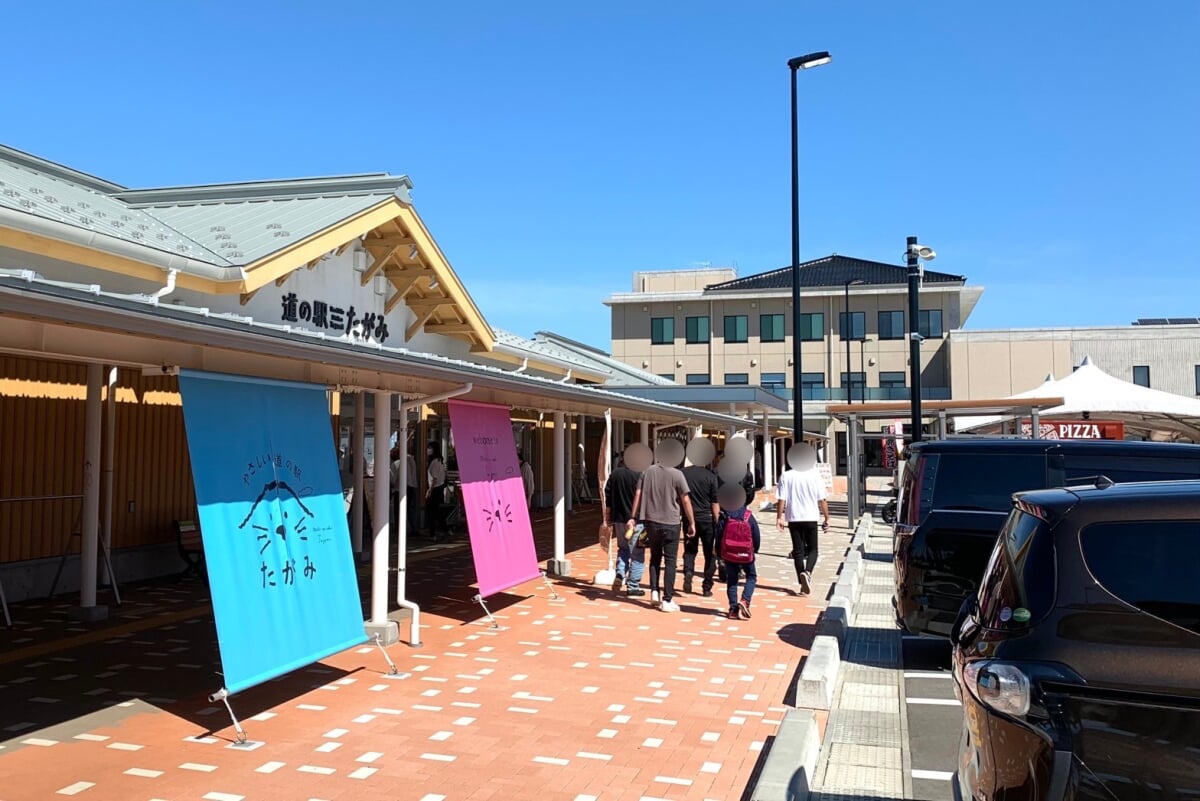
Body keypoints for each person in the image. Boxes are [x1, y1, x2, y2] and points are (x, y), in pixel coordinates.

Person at [629, 444, 695, 613]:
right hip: (671, 522)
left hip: (650, 521)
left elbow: (638, 494)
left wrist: (633, 516)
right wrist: (691, 522)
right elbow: (685, 499)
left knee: (654, 558)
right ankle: (667, 599)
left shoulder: (647, 471)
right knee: (670, 561)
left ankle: (654, 592)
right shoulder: (677, 474)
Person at [776, 455, 831, 596]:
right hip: (811, 517)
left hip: (793, 517)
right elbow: (822, 499)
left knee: (798, 551)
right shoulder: (815, 476)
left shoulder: (786, 476)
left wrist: (779, 517)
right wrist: (827, 518)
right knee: (813, 550)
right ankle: (807, 572)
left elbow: (781, 499)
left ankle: (802, 583)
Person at [604, 453, 646, 597]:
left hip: (619, 519)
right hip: (637, 521)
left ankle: (620, 574)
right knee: (637, 552)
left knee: (623, 548)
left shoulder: (615, 474)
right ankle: (633, 585)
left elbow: (607, 494)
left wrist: (607, 516)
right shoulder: (641, 475)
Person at [718, 496, 762, 619]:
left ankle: (733, 610)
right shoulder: (748, 516)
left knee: (732, 580)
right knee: (751, 576)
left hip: (729, 552)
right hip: (746, 553)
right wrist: (755, 549)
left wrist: (719, 552)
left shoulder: (725, 516)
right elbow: (756, 535)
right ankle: (745, 600)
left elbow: (719, 535)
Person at [681, 460, 720, 597]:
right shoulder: (710, 476)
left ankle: (688, 572)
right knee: (710, 554)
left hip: (688, 517)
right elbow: (715, 502)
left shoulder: (683, 474)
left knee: (690, 549)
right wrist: (718, 521)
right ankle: (707, 586)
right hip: (707, 518)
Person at [425, 449, 448, 540]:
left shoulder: (435, 462)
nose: (428, 450)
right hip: (439, 488)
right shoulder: (440, 462)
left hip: (435, 489)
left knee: (432, 512)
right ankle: (445, 529)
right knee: (437, 511)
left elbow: (434, 478)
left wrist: (430, 490)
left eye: (430, 448)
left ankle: (433, 533)